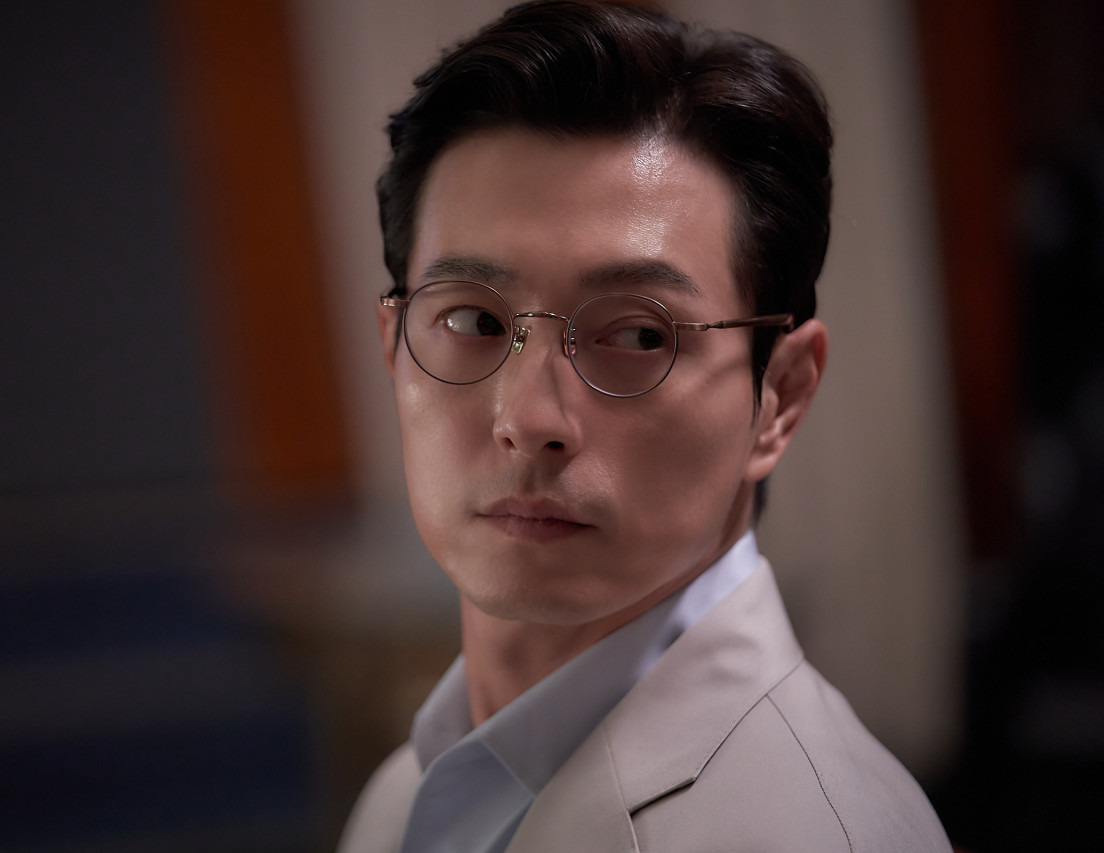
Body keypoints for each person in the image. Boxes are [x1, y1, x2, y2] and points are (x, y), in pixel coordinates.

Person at [339, 1, 951, 850]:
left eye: (636, 336)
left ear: (779, 396)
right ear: (394, 348)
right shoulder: (400, 798)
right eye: (473, 321)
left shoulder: (806, 831)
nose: (529, 419)